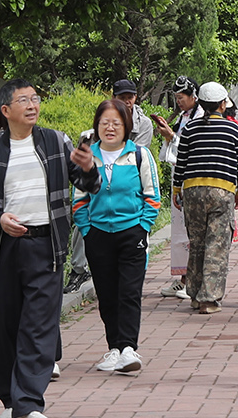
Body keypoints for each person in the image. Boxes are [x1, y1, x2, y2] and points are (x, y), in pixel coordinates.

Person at [0, 80, 101, 418]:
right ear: (5, 110)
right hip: (3, 248)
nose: (32, 105)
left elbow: (87, 184)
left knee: (39, 326)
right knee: (7, 325)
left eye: (35, 98)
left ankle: (27, 404)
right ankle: (13, 400)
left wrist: (89, 167)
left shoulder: (56, 141)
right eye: (23, 99)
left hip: (45, 246)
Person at [74, 97, 160, 375]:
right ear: (96, 126)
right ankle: (113, 348)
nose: (110, 128)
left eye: (117, 123)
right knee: (107, 294)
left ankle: (127, 349)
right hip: (97, 234)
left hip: (131, 234)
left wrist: (142, 227)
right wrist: (87, 230)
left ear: (127, 126)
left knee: (129, 292)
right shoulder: (88, 156)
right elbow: (79, 200)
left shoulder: (140, 155)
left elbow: (153, 197)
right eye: (104, 123)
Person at [175, 81, 238, 313]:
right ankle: (209, 298)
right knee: (216, 244)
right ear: (221, 104)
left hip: (192, 190)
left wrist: (178, 191)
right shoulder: (233, 129)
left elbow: (181, 163)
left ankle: (195, 295)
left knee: (196, 243)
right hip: (221, 191)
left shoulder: (190, 128)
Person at [153, 75, 201, 300]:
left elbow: (193, 148)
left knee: (190, 230)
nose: (179, 102)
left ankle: (189, 280)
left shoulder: (200, 117)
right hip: (179, 177)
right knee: (181, 231)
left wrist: (171, 136)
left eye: (182, 97)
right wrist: (169, 135)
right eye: (176, 98)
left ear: (194, 96)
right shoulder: (184, 116)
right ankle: (183, 278)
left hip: (191, 179)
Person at [113, 78, 155, 148]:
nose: (126, 101)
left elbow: (137, 151)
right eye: (122, 98)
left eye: (130, 98)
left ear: (135, 97)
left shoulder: (144, 123)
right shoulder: (105, 118)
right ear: (113, 98)